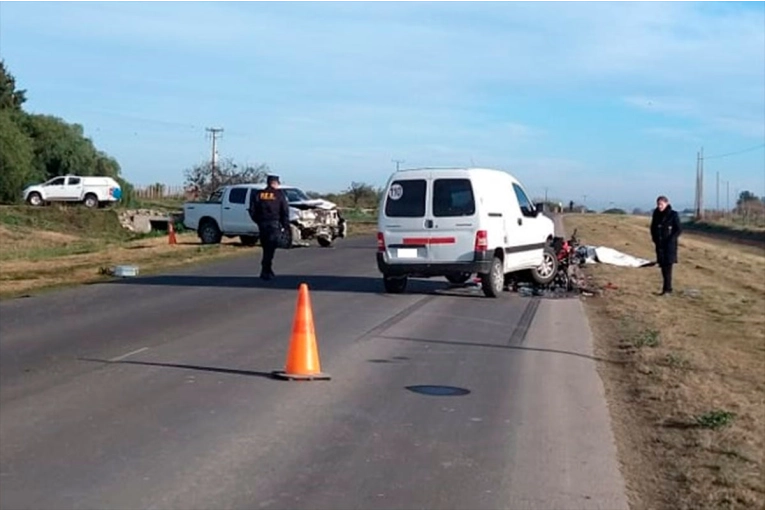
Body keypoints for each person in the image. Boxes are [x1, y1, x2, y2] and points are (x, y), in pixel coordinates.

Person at [248, 175, 290, 280]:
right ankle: (265, 270)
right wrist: (285, 226)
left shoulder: (258, 194)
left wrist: (258, 221)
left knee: (266, 246)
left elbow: (252, 210)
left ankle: (267, 270)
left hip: (262, 224)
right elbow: (284, 211)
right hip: (274, 223)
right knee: (270, 248)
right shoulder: (279, 194)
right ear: (275, 183)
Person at [650, 195, 682, 295]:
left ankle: (667, 289)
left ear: (666, 203)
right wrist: (655, 239)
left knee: (668, 268)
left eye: (661, 204)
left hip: (669, 246)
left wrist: (671, 239)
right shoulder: (656, 214)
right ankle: (666, 289)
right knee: (663, 268)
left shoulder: (673, 214)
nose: (659, 206)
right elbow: (653, 227)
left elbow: (678, 229)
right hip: (660, 246)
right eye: (658, 204)